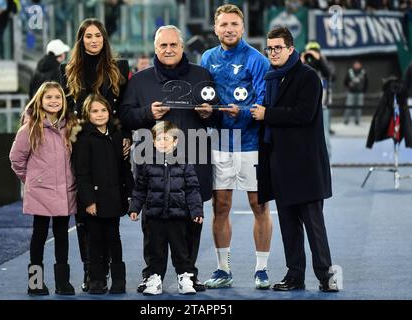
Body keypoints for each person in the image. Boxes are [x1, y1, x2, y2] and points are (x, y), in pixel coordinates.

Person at [119, 25, 218, 293]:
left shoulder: (202, 75)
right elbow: (125, 117)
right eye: (163, 45)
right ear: (155, 48)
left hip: (194, 160)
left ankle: (189, 274)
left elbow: (218, 113)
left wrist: (210, 114)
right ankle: (152, 274)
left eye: (173, 44)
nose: (168, 49)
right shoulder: (139, 80)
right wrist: (147, 114)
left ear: (182, 47)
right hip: (152, 164)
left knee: (192, 220)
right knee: (153, 226)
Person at [250, 26, 339, 292]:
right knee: (289, 227)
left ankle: (326, 276)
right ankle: (295, 276)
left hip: (306, 166)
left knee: (314, 227)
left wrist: (268, 115)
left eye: (278, 47)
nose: (273, 52)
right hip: (280, 164)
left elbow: (304, 114)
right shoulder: (270, 77)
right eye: (270, 48)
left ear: (291, 49)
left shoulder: (308, 76)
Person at [200, 4, 273, 289]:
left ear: (242, 28)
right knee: (221, 206)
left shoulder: (256, 59)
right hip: (219, 142)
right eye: (223, 25)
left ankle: (262, 269)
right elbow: (203, 94)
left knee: (259, 205)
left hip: (251, 143)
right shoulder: (207, 57)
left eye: (234, 24)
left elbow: (264, 100)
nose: (229, 29)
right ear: (215, 28)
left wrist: (240, 112)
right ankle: (222, 269)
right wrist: (205, 111)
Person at [60, 18, 131, 292]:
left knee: (110, 214)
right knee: (84, 213)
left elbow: (124, 107)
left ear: (104, 39)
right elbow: (64, 111)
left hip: (112, 145)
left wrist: (126, 136)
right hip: (80, 146)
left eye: (98, 36)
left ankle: (114, 273)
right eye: (88, 36)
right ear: (81, 39)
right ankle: (91, 272)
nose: (93, 40)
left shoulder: (119, 68)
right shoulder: (67, 70)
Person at [9, 81, 77, 296]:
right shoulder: (29, 128)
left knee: (62, 236)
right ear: (40, 100)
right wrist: (31, 180)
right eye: (49, 97)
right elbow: (16, 159)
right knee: (38, 236)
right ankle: (35, 282)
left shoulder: (71, 126)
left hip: (65, 190)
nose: (54, 101)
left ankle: (62, 283)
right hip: (41, 191)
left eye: (58, 97)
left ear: (63, 101)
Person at [129, 121, 204, 295]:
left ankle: (185, 276)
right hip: (154, 216)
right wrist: (135, 208)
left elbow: (193, 189)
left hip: (178, 216)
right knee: (155, 249)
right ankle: (154, 278)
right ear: (153, 142)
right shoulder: (147, 163)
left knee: (181, 249)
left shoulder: (184, 162)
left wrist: (196, 211)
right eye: (159, 139)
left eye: (167, 139)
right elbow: (140, 189)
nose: (163, 142)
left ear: (176, 142)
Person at [72, 94, 133, 295]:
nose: (100, 114)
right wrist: (89, 200)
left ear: (110, 112)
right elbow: (82, 173)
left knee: (114, 240)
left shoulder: (117, 136)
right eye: (94, 111)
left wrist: (130, 195)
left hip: (114, 199)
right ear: (87, 114)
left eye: (103, 110)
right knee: (95, 242)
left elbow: (125, 169)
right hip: (94, 202)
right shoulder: (83, 139)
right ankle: (96, 280)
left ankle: (118, 280)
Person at [300, 40, 333, 159]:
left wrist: (319, 60)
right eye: (310, 52)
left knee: (325, 136)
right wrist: (302, 59)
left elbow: (330, 74)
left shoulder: (323, 63)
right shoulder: (304, 63)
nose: (312, 55)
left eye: (315, 52)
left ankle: (327, 163)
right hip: (304, 107)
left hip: (322, 106)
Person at [343, 60, 368, 125]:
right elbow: (345, 82)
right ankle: (346, 120)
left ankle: (357, 120)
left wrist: (364, 91)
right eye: (355, 64)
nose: (357, 66)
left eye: (358, 64)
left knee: (359, 107)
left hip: (360, 92)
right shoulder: (350, 72)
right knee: (349, 106)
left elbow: (366, 82)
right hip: (351, 92)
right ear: (353, 65)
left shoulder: (363, 72)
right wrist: (349, 85)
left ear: (360, 65)